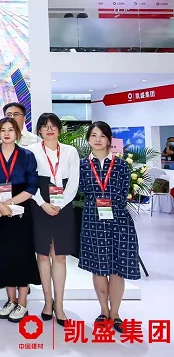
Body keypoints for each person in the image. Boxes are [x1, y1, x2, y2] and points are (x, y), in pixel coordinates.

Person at [78, 121, 139, 333]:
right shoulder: (82, 165)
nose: (97, 139)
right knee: (99, 267)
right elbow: (82, 189)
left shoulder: (121, 165)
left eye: (102, 135)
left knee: (117, 268)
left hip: (119, 219)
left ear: (109, 140)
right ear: (88, 139)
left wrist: (111, 204)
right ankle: (103, 311)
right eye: (93, 135)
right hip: (93, 219)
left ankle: (115, 314)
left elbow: (123, 192)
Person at [0, 118, 41, 323]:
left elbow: (32, 187)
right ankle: (10, 300)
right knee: (4, 254)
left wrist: (9, 204)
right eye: (3, 130)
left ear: (18, 133)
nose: (7, 133)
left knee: (22, 254)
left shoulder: (27, 155)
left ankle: (22, 302)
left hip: (21, 209)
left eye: (11, 130)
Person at [28, 113, 79, 327]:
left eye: (53, 126)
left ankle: (59, 305)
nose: (49, 129)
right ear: (39, 130)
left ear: (59, 129)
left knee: (59, 256)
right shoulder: (31, 151)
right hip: (39, 203)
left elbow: (74, 181)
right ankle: (47, 303)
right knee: (42, 255)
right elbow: (30, 182)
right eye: (45, 126)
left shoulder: (70, 151)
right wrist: (43, 204)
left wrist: (61, 204)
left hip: (63, 206)